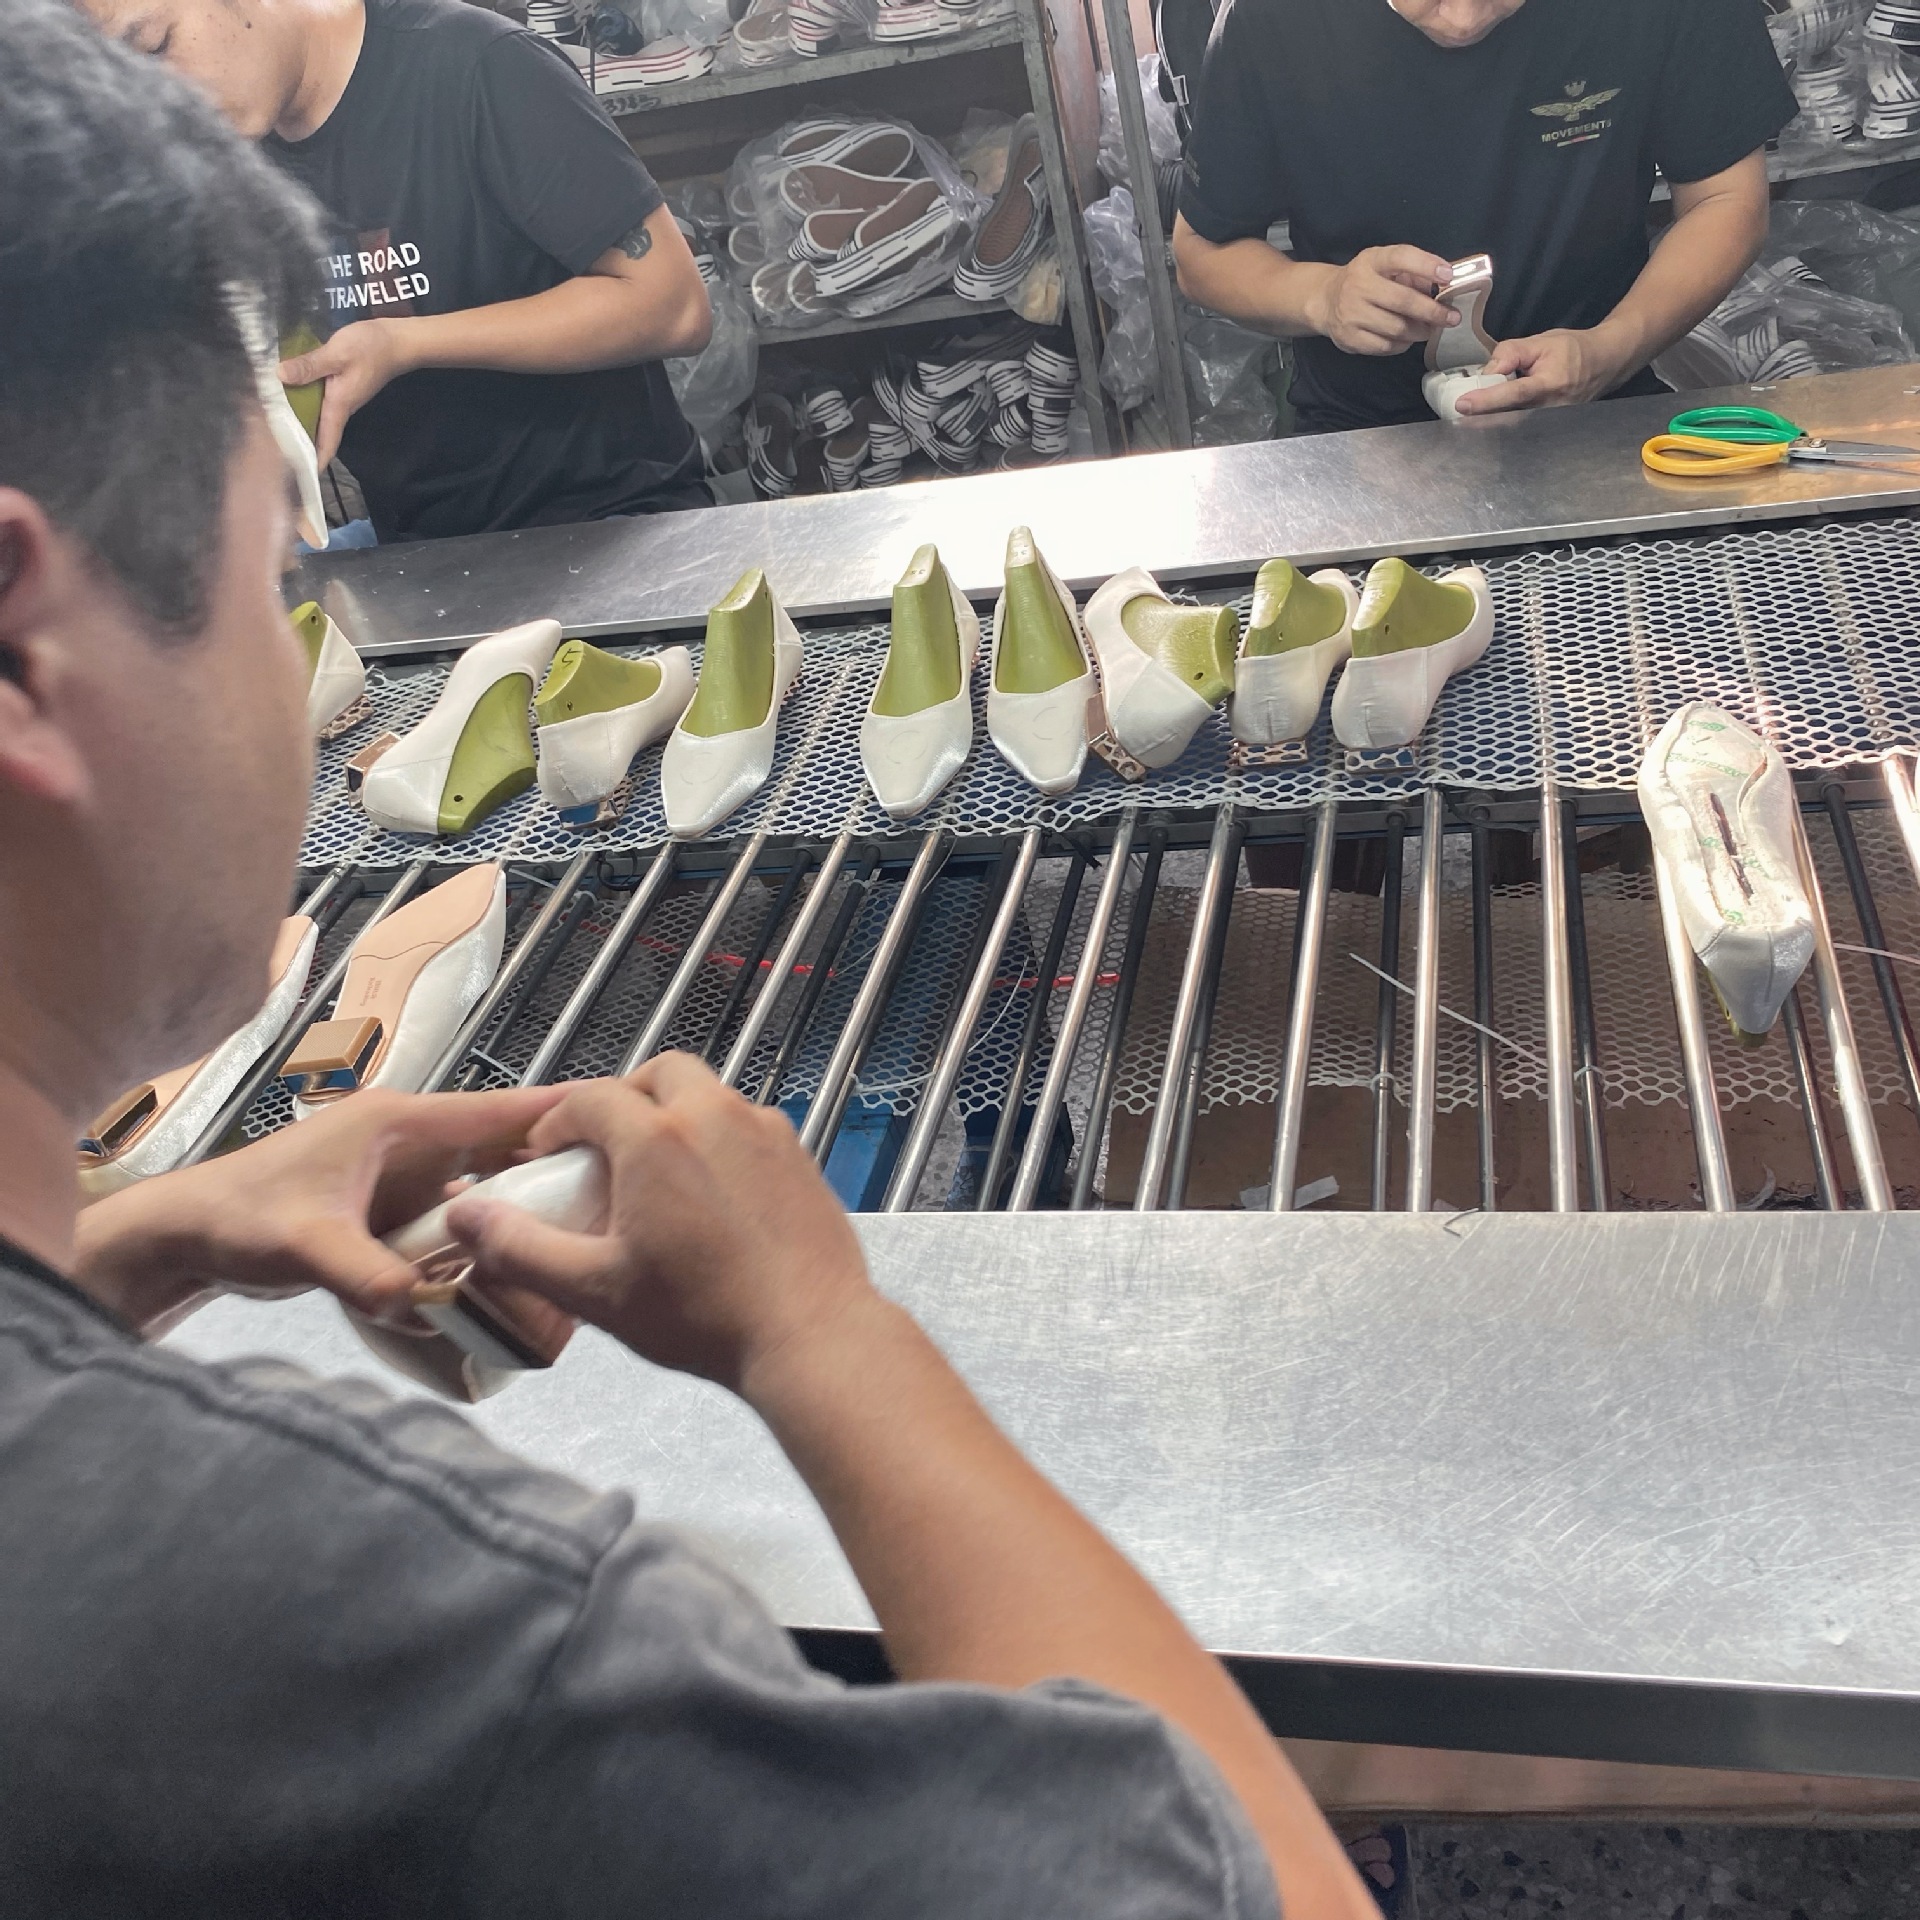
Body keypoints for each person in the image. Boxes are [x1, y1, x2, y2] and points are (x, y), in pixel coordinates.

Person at [0, 9, 1376, 1913]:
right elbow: (1255, 1892)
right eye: (280, 579)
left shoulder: (472, 72)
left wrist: (120, 1247)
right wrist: (823, 1335)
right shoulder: (410, 1635)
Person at [76, 0, 713, 542]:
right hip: (424, 553)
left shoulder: (477, 66)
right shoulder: (237, 149)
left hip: (610, 524)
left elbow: (674, 307)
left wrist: (404, 343)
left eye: (156, 46)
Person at [1171, 0, 1797, 432]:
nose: (1465, 16)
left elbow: (1725, 199)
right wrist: (1323, 297)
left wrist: (1613, 348)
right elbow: (1203, 252)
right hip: (1363, 436)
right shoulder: (1270, 19)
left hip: (1601, 409)